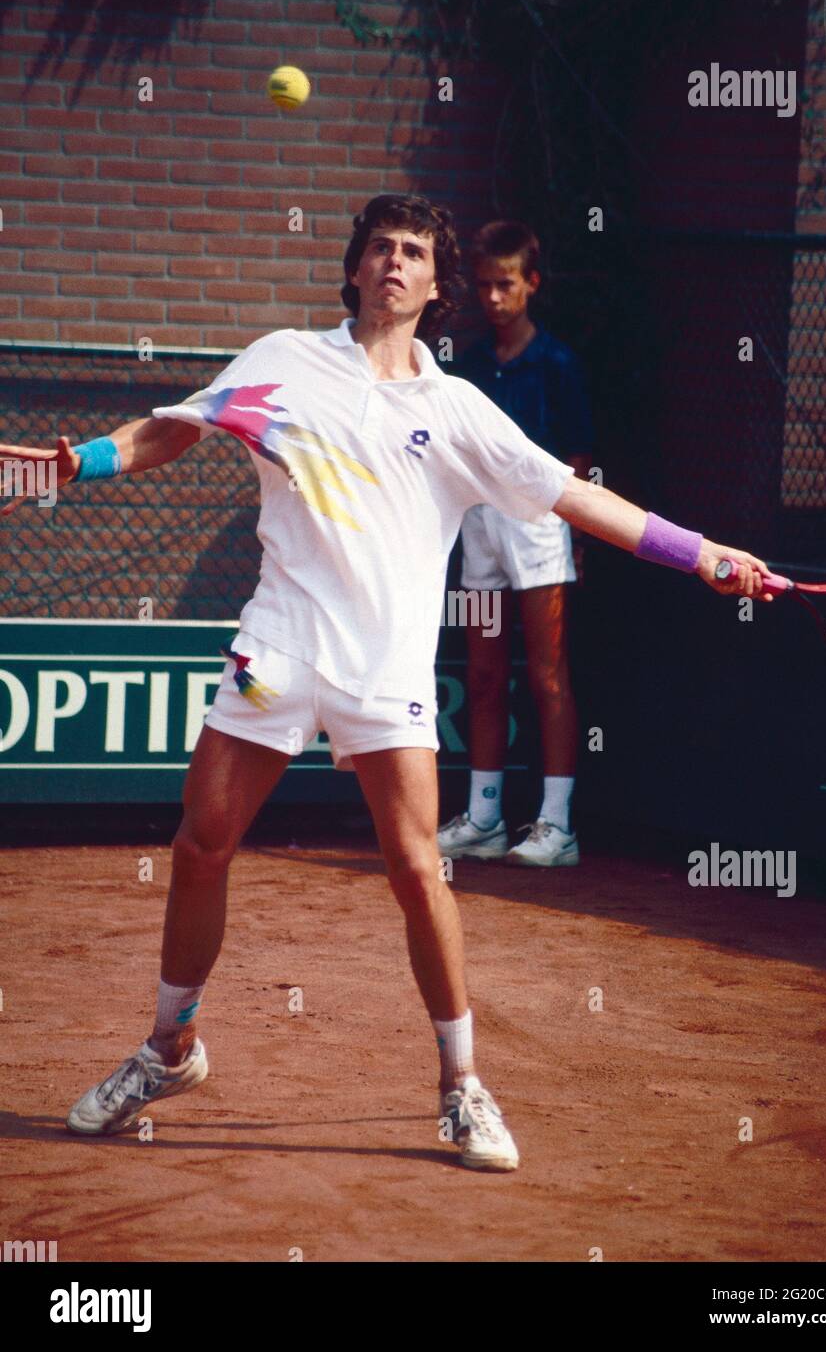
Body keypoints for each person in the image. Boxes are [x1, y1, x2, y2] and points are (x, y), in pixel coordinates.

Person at [0, 194, 773, 1174]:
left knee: (418, 869)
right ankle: (168, 1049)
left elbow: (574, 496)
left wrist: (700, 551)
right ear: (356, 269)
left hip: (387, 668)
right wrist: (80, 464)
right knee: (200, 844)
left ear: (435, 284)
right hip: (278, 648)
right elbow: (174, 428)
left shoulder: (456, 411)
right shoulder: (285, 360)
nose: (395, 264)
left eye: (413, 252)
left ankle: (460, 1088)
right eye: (380, 249)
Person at [438, 220, 592, 868]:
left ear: (531, 284)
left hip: (539, 525)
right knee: (483, 673)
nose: (492, 298)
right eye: (483, 286)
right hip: (480, 526)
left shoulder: (558, 363)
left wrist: (576, 534)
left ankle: (557, 828)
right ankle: (485, 819)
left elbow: (579, 463)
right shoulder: (467, 366)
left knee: (550, 676)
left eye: (505, 285)